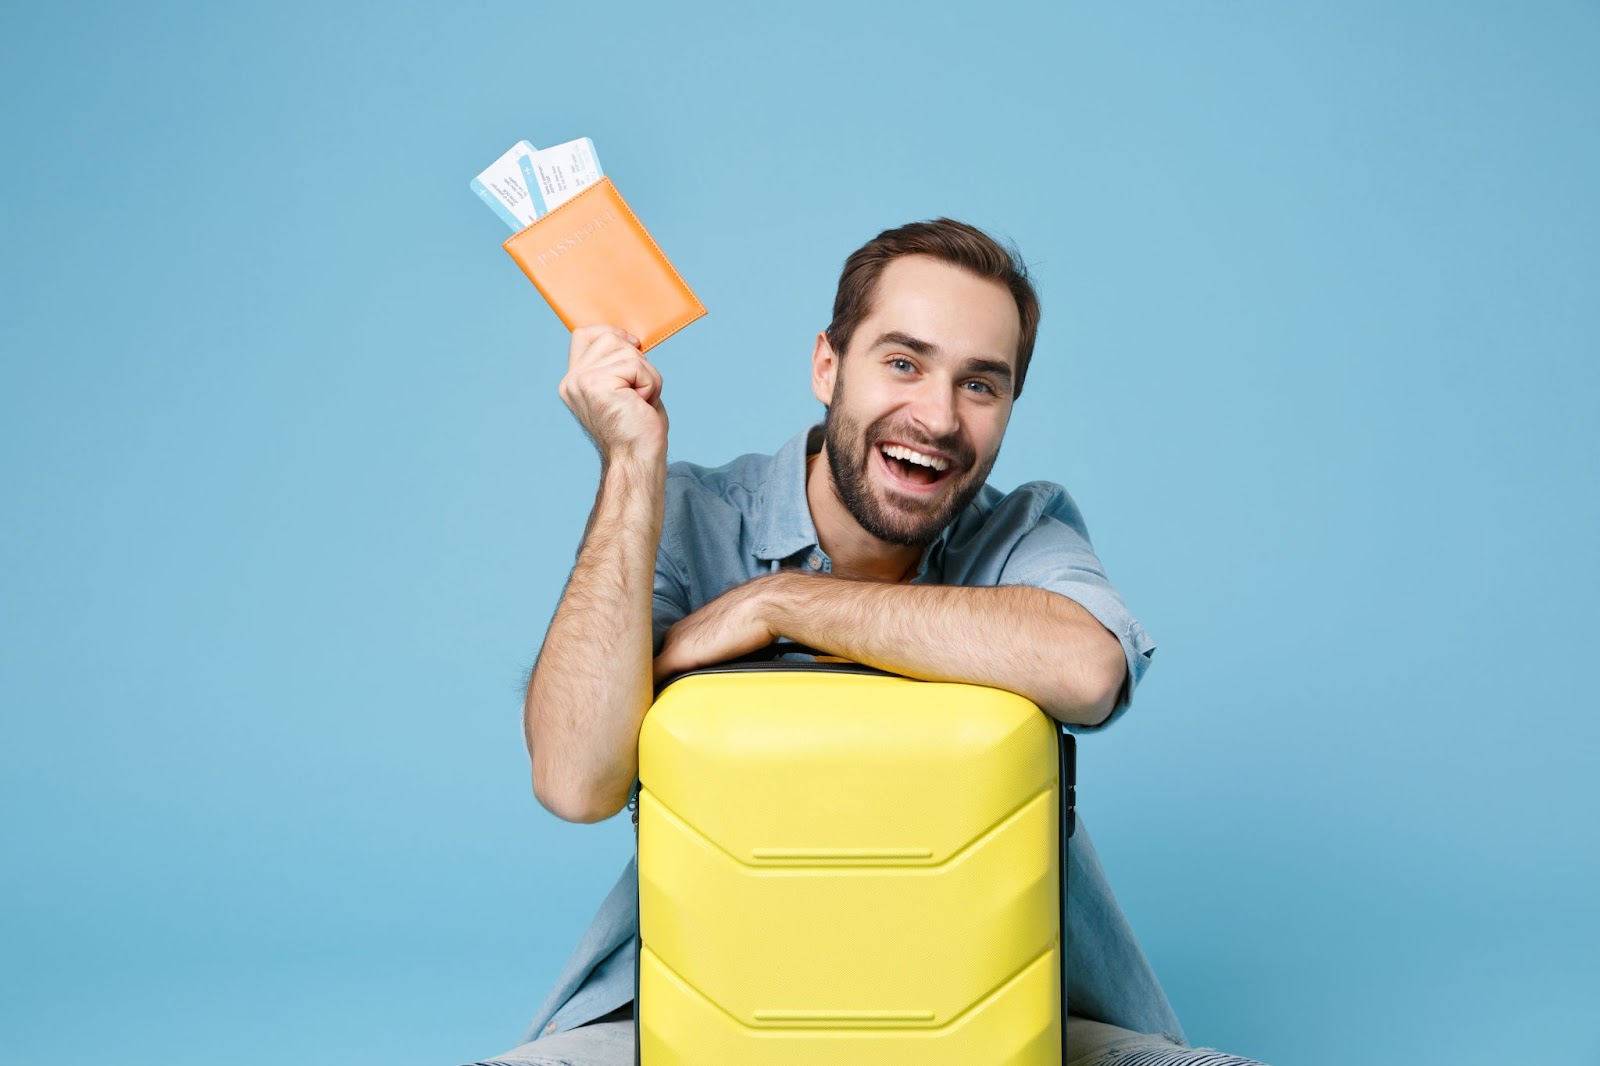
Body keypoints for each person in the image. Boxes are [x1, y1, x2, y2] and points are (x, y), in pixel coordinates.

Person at [463, 221, 1266, 1066]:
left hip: (1005, 1011)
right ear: (827, 366)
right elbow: (574, 779)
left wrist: (783, 603)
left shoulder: (1021, 533)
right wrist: (630, 463)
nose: (938, 417)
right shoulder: (689, 516)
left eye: (980, 385)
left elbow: (1088, 668)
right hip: (695, 1005)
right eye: (904, 363)